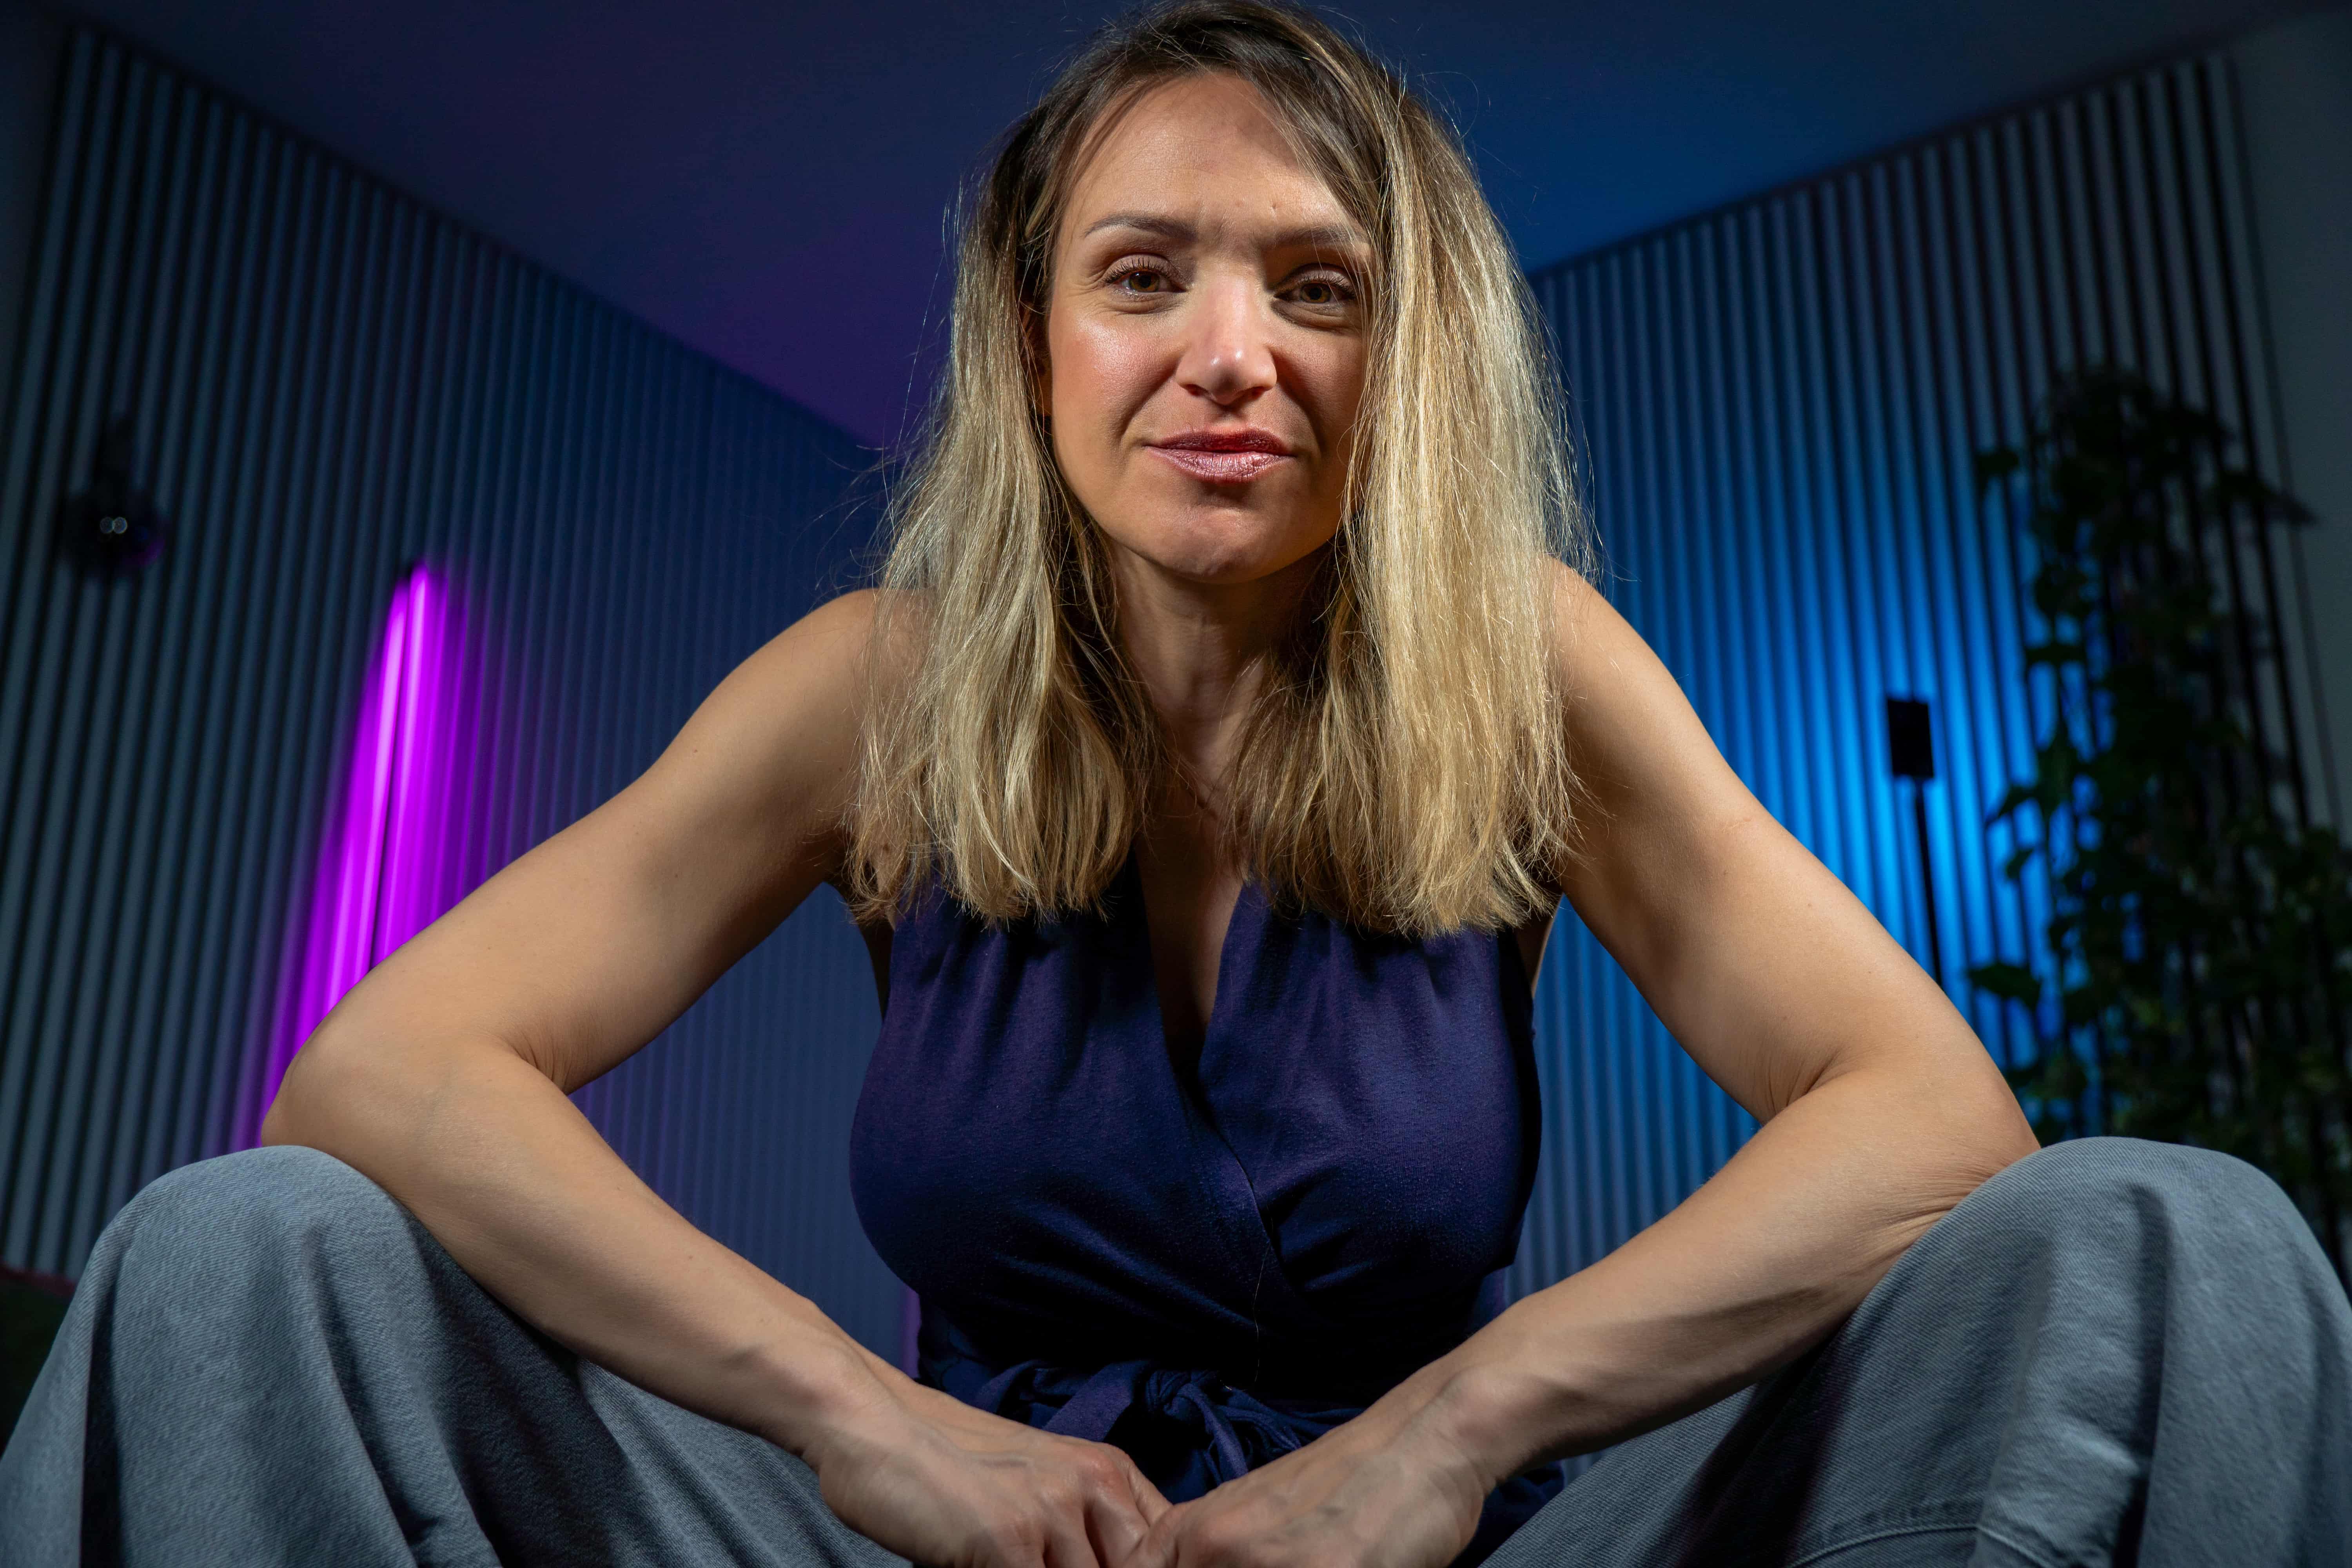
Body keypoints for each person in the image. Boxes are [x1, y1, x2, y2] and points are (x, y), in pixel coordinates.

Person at [5, 2, 2349, 1564]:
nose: (1235, 356)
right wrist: (869, 1427)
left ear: (1403, 359)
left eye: (1319, 288)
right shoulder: (876, 690)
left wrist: (1442, 1443)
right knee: (234, 1253)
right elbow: (383, 1068)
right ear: (1034, 343)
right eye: (1146, 276)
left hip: (1437, 1552)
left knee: (2182, 1239)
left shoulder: (1523, 665)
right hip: (948, 1544)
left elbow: (1933, 1117)